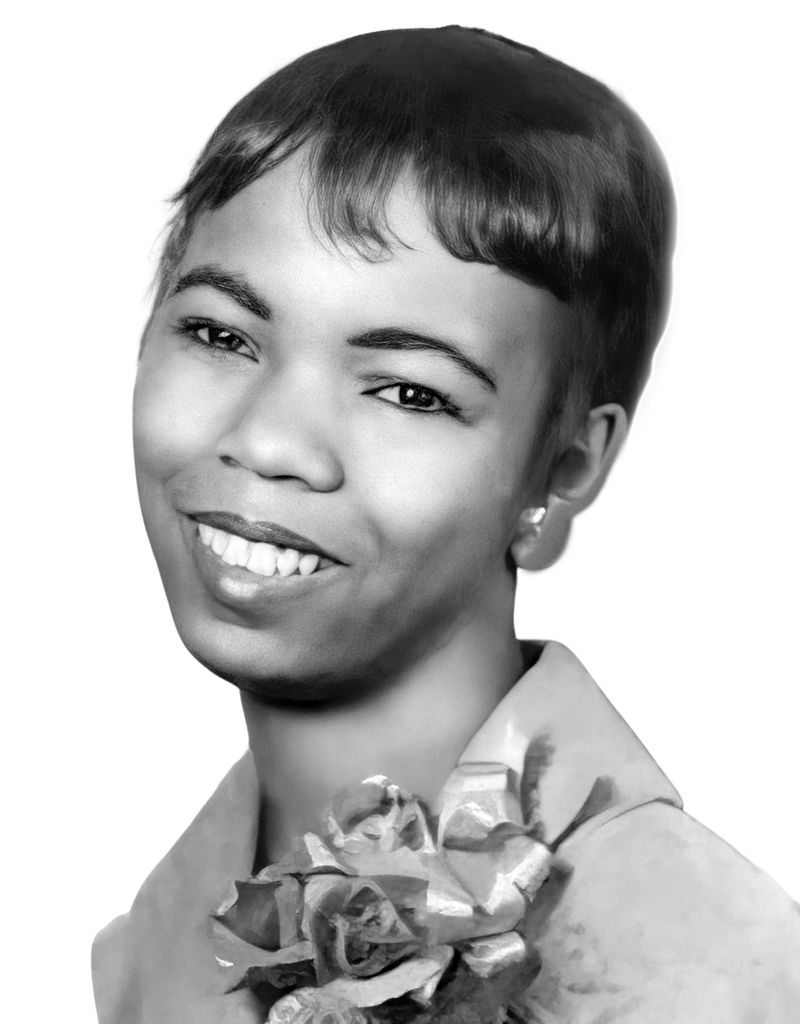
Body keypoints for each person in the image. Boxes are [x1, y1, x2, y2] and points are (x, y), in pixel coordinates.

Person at [92, 24, 800, 1024]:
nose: (271, 441)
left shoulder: (712, 978)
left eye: (408, 393)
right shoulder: (148, 949)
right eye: (219, 333)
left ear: (564, 465)